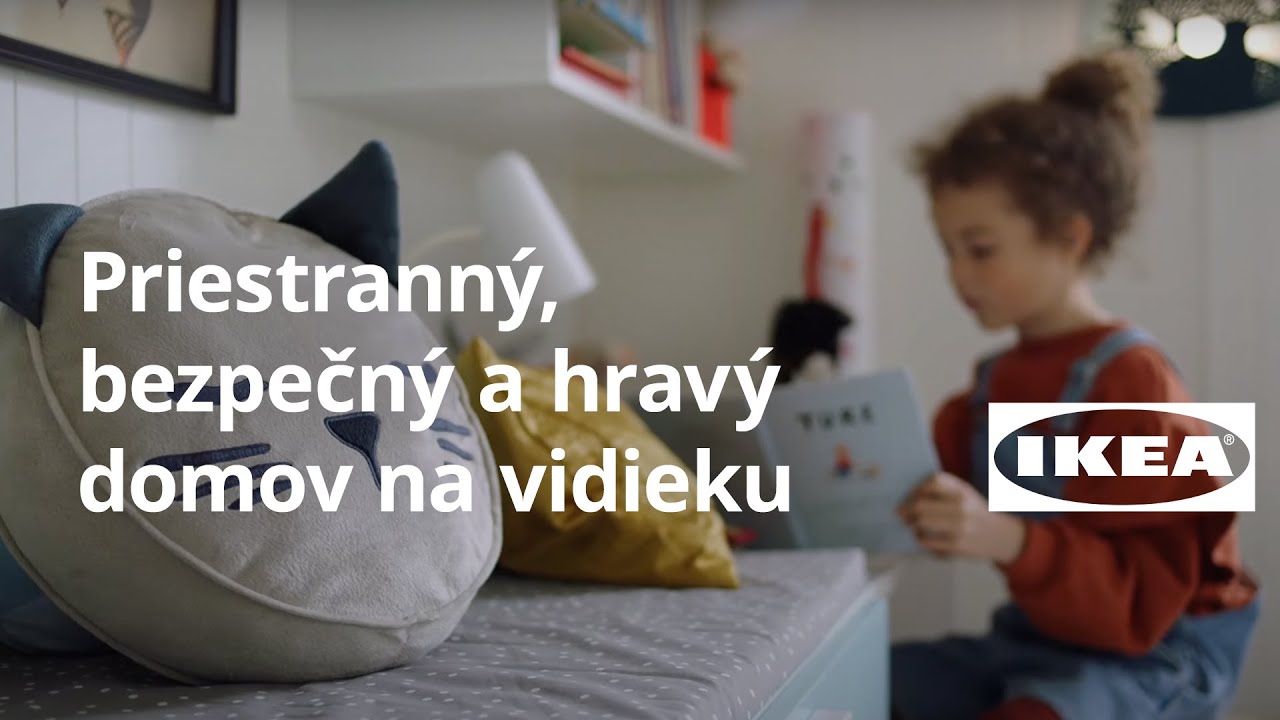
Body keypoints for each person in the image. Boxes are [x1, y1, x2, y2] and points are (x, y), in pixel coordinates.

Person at [890, 51, 1260, 720]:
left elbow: (1140, 611)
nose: (957, 274)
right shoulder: (991, 387)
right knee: (870, 682)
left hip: (1155, 657)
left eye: (981, 249)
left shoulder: (1137, 387)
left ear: (1070, 237)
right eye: (948, 250)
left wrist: (1010, 540)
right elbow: (920, 481)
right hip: (1039, 641)